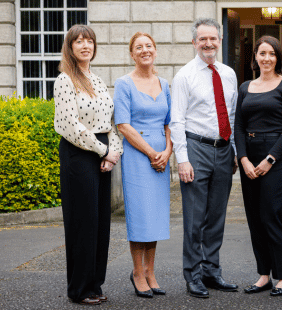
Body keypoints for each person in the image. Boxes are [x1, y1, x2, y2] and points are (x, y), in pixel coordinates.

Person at [170, 18, 238, 298]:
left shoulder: (229, 73)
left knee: (217, 216)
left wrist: (233, 149)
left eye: (213, 38)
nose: (208, 43)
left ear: (220, 40)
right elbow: (176, 120)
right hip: (196, 148)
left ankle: (212, 271)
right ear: (194, 42)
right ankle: (193, 275)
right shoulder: (184, 76)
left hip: (223, 149)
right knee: (195, 218)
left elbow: (231, 115)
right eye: (202, 39)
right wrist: (182, 159)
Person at [53, 24, 122, 305]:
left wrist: (113, 152)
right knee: (82, 223)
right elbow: (71, 126)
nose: (85, 46)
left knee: (100, 222)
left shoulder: (97, 79)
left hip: (101, 153)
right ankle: (79, 289)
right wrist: (103, 150)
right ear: (70, 47)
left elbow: (110, 123)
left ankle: (94, 284)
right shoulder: (65, 80)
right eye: (79, 42)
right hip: (78, 155)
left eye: (89, 41)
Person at [235, 36, 282, 297]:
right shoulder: (245, 88)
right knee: (254, 219)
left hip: (276, 157)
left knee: (270, 216)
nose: (266, 58)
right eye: (262, 53)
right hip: (249, 157)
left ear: (278, 58)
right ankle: (264, 275)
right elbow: (238, 126)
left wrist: (270, 159)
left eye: (271, 54)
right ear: (255, 57)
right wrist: (243, 159)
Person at [113, 32, 172, 298]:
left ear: (155, 50)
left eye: (149, 45)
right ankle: (137, 271)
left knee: (156, 216)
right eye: (139, 47)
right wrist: (151, 153)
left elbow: (170, 122)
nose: (145, 50)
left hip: (162, 155)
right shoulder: (124, 84)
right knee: (140, 215)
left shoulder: (164, 83)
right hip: (139, 157)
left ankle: (150, 271)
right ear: (132, 53)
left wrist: (167, 151)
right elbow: (123, 125)